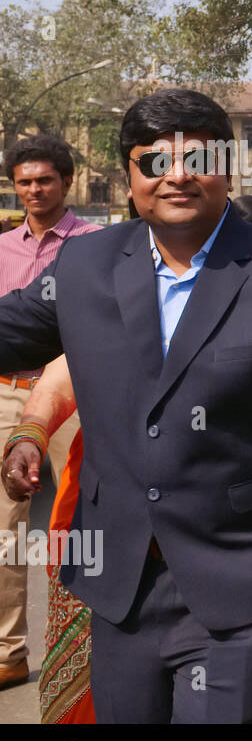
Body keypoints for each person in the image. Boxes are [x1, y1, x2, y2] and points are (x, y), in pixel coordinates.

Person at [0, 88, 252, 722]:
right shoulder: (85, 264)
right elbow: (12, 329)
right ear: (129, 173)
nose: (177, 176)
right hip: (122, 580)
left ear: (230, 165)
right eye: (153, 161)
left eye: (198, 157)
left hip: (240, 577)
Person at [0, 133, 99, 692]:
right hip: (8, 392)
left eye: (44, 180)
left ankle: (88, 647)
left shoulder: (96, 245)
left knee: (80, 520)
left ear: (67, 182)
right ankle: (8, 651)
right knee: (5, 530)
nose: (34, 189)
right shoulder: (1, 248)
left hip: (74, 395)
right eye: (24, 181)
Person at [1, 356, 93, 722]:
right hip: (12, 384)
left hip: (80, 390)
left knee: (85, 532)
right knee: (7, 534)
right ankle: (7, 651)